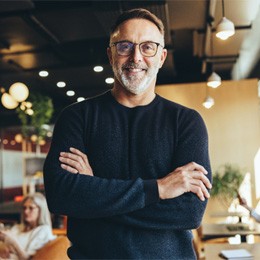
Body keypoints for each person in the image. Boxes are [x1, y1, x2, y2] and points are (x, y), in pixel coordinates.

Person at [43, 8, 212, 259]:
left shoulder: (186, 122)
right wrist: (159, 189)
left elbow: (189, 213)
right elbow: (61, 196)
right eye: (124, 46)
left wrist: (94, 191)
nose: (136, 57)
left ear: (162, 57)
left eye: (148, 47)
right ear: (110, 54)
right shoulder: (76, 117)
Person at [0, 193, 55, 259]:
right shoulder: (17, 227)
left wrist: (13, 243)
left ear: (41, 210)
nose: (26, 211)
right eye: (24, 208)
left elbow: (28, 259)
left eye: (31, 208)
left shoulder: (43, 230)